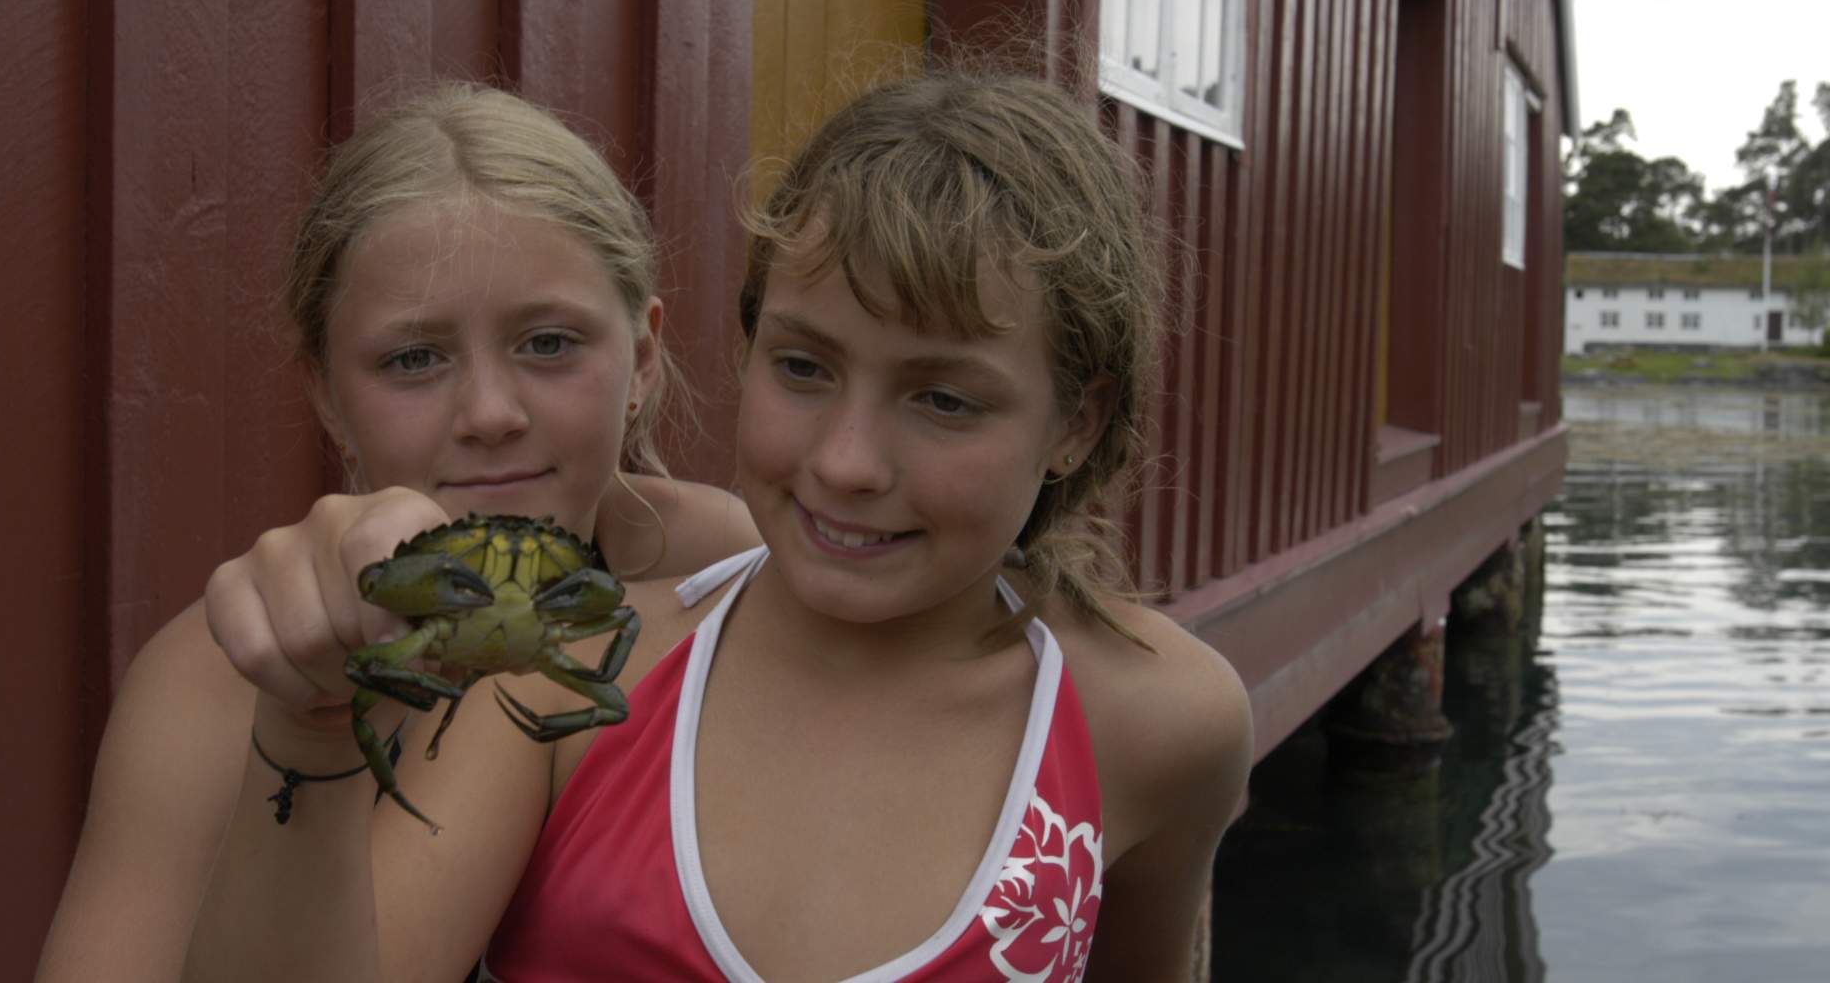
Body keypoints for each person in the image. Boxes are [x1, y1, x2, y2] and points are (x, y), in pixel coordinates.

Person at [177, 67, 1254, 982]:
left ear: (1079, 419)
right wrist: (311, 725)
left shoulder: (1160, 720)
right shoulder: (564, 676)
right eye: (803, 367)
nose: (845, 461)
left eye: (945, 399)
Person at [35, 82, 759, 983]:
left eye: (549, 344)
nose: (491, 413)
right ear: (327, 396)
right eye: (414, 359)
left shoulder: (726, 569)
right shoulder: (227, 678)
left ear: (643, 357)